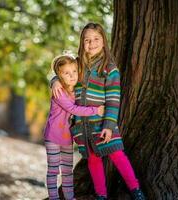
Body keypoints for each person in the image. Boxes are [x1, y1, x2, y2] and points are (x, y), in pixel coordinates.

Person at [51, 23, 145, 200]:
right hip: (81, 126)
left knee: (117, 154)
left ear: (104, 41)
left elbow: (113, 100)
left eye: (96, 39)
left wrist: (109, 125)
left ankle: (135, 189)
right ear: (82, 42)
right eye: (87, 40)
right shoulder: (77, 64)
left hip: (102, 123)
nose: (91, 43)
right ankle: (101, 195)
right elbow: (62, 71)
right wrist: (55, 80)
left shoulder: (109, 69)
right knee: (93, 160)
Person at [44, 54, 105, 200]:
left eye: (74, 71)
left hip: (67, 137)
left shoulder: (76, 89)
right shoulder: (59, 92)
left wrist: (55, 80)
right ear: (59, 75)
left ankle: (70, 198)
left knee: (67, 171)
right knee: (53, 170)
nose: (72, 76)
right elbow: (73, 109)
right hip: (53, 136)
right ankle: (53, 198)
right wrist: (96, 110)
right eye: (66, 73)